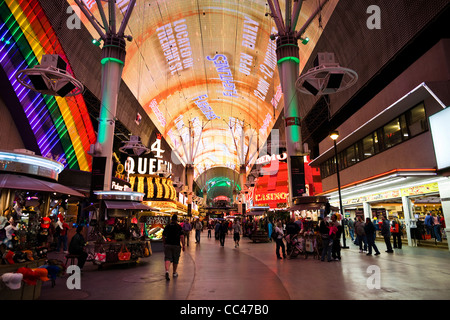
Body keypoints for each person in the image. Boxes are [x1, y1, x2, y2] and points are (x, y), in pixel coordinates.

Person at [162, 214, 185, 281]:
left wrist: (164, 243)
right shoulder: (178, 227)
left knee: (167, 258)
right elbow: (182, 237)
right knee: (175, 259)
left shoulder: (167, 226)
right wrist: (183, 245)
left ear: (171, 219)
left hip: (168, 244)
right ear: (177, 220)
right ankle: (174, 272)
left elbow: (163, 236)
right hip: (176, 245)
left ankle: (167, 271)